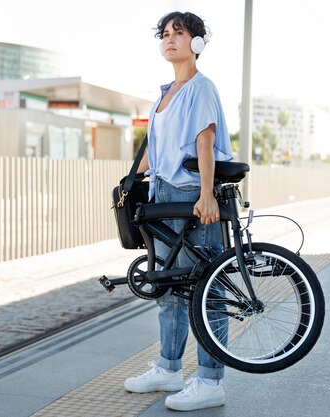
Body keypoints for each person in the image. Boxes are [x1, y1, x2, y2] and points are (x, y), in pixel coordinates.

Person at [123, 11, 233, 412]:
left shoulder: (201, 88)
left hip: (190, 193)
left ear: (197, 42)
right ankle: (169, 368)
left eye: (178, 33)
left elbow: (205, 140)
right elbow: (155, 151)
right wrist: (131, 181)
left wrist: (207, 195)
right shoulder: (165, 93)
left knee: (207, 288)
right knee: (169, 283)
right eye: (165, 34)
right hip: (162, 194)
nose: (169, 40)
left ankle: (209, 381)